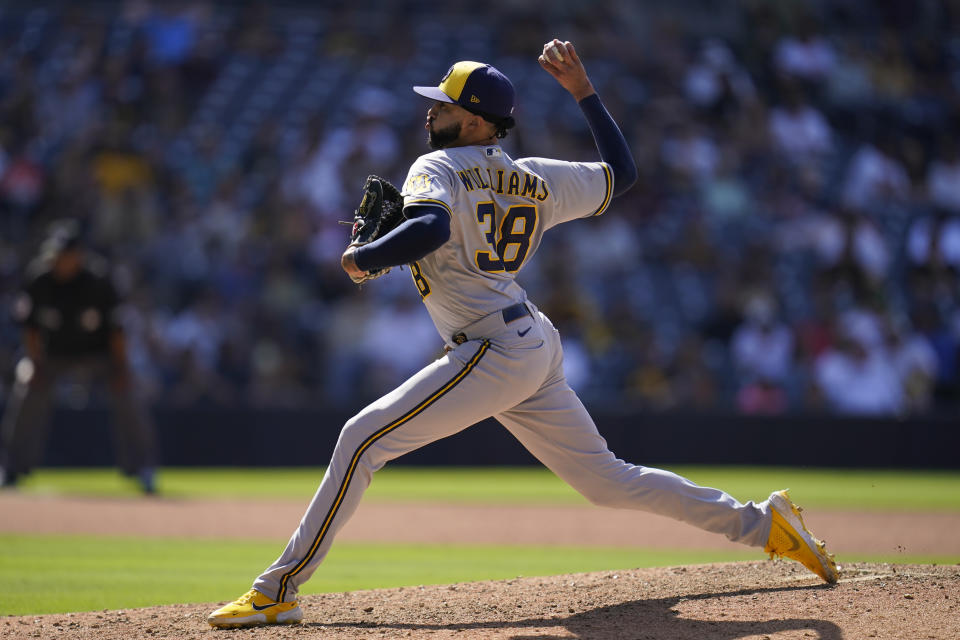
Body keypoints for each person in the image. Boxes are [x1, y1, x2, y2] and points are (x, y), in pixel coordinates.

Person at [208, 39, 838, 628]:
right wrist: (583, 90)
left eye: (446, 106)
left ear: (479, 122)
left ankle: (278, 590)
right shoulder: (536, 176)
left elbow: (427, 230)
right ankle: (764, 525)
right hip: (530, 343)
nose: (433, 115)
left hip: (493, 349)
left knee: (361, 437)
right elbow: (622, 174)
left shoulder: (437, 166)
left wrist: (363, 259)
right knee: (609, 481)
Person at [0, 221, 159, 493]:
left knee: (129, 392)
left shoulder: (99, 280)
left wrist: (120, 369)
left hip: (99, 355)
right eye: (55, 254)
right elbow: (30, 330)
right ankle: (12, 468)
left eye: (64, 254)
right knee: (26, 383)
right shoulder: (39, 278)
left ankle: (142, 468)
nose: (58, 260)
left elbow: (117, 332)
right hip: (53, 356)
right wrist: (36, 363)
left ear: (78, 255)